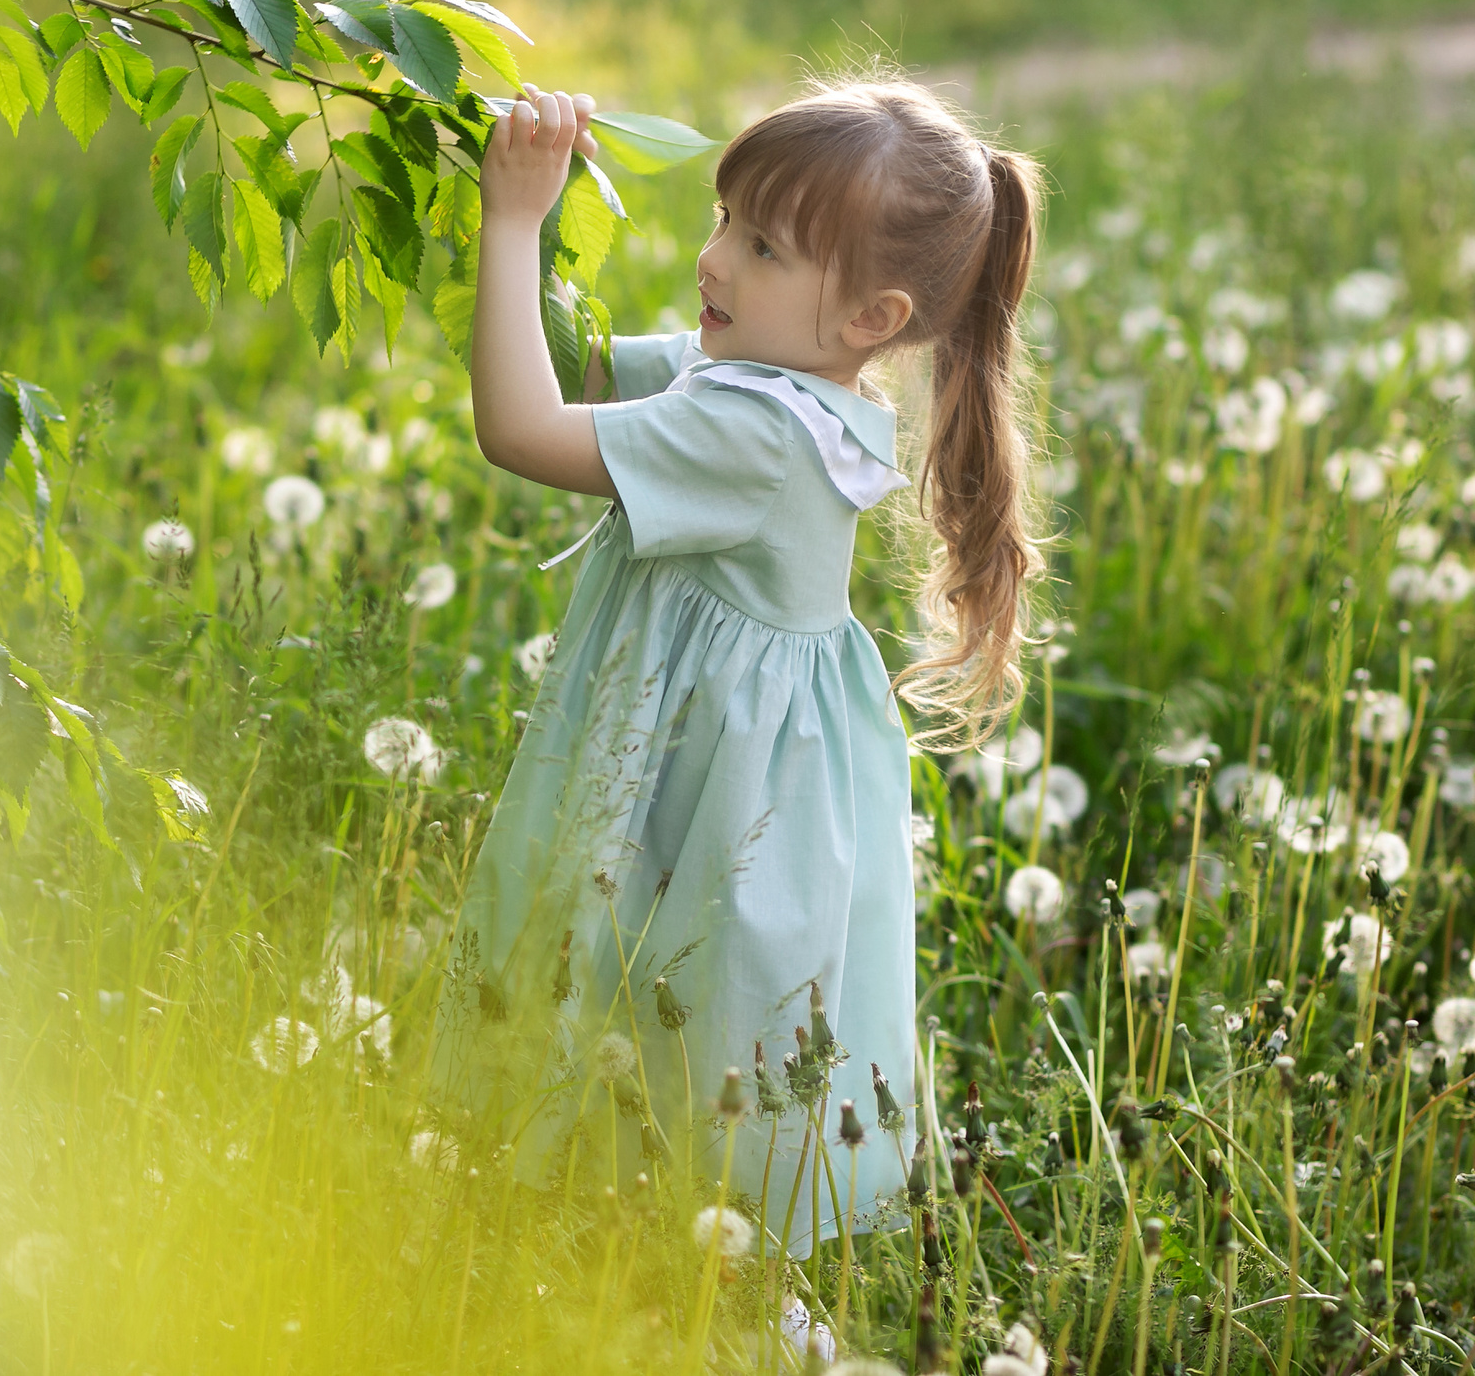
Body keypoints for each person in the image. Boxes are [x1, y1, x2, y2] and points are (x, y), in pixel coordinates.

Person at [436, 76, 1043, 1265]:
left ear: (871, 315)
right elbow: (574, 360)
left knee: (700, 997)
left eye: (760, 246)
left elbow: (520, 427)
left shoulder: (757, 432)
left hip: (722, 778)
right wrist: (535, 188)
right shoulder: (769, 381)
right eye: (725, 219)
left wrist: (509, 224)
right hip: (720, 747)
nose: (713, 258)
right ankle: (629, 1221)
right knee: (669, 983)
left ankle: (714, 1263)